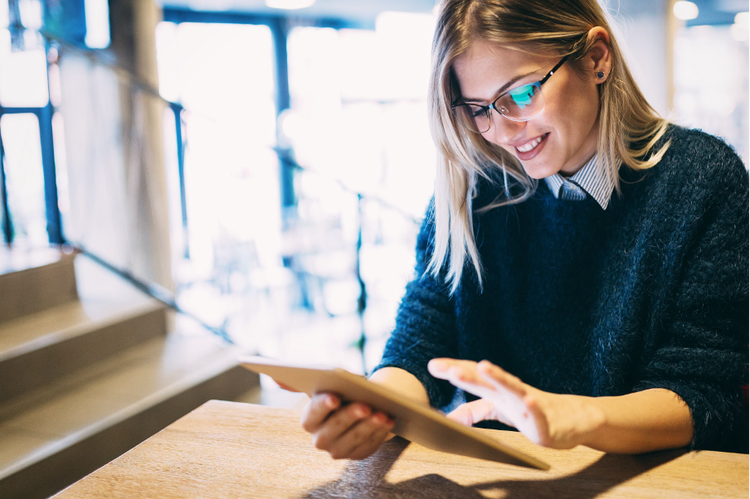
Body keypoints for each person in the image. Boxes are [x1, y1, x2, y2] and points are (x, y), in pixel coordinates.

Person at [301, 0, 750, 459]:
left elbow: (706, 394)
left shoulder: (702, 180)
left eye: (519, 94)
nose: (502, 131)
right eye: (478, 109)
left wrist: (573, 417)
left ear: (597, 59)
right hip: (498, 475)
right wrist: (374, 408)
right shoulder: (475, 187)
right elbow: (422, 340)